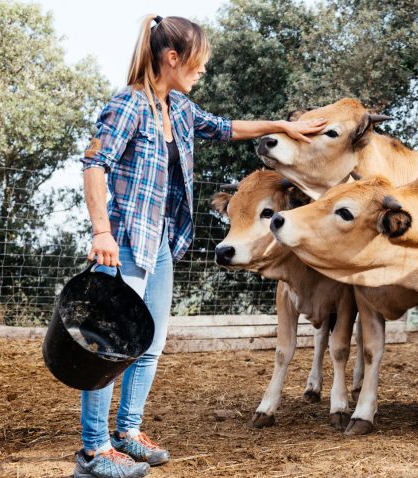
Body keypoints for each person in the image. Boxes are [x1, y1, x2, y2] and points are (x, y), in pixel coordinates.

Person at [76, 14, 325, 478]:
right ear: (173, 59)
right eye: (199, 64)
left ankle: (127, 433)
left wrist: (285, 128)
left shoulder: (180, 110)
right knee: (110, 345)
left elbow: (226, 127)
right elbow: (94, 164)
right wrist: (101, 232)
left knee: (148, 344)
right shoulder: (128, 105)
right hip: (126, 241)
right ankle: (93, 451)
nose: (203, 72)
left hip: (162, 245)